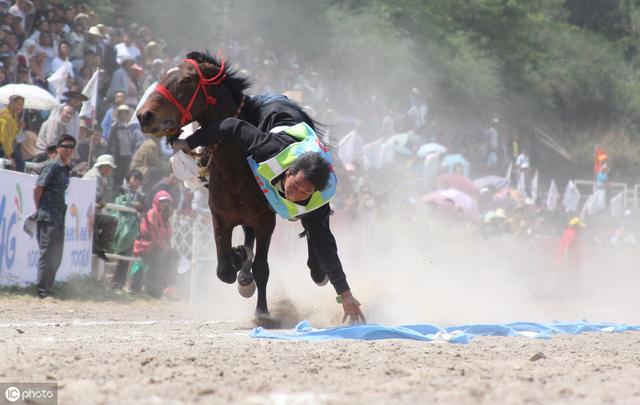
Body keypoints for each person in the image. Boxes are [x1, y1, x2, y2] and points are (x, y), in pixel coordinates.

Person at [172, 106, 365, 323]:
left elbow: (327, 246)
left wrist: (345, 294)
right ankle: (245, 252)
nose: (296, 194)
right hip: (269, 111)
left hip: (303, 140)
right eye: (296, 185)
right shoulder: (268, 150)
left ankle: (309, 246)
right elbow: (230, 126)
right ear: (289, 172)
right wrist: (189, 143)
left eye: (304, 193)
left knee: (319, 269)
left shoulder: (316, 201)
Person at [32, 134, 75, 298]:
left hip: (59, 217)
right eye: (65, 146)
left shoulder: (65, 168)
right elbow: (38, 188)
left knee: (56, 255)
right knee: (46, 253)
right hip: (47, 215)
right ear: (58, 148)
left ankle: (49, 287)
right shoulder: (52, 165)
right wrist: (40, 208)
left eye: (71, 147)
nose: (68, 149)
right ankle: (42, 290)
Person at [132, 190, 178, 297]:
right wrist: (165, 247)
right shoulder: (153, 214)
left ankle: (166, 287)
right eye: (162, 201)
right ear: (157, 201)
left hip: (157, 246)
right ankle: (162, 288)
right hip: (147, 245)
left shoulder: (164, 216)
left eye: (167, 202)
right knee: (166, 257)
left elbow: (169, 234)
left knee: (172, 256)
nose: (165, 204)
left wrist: (166, 219)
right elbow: (154, 235)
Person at [110, 169, 145, 291]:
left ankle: (119, 285)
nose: (136, 182)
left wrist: (133, 205)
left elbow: (142, 206)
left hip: (131, 230)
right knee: (113, 255)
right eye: (134, 179)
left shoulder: (140, 195)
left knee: (126, 258)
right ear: (128, 178)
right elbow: (119, 202)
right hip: (118, 226)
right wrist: (133, 205)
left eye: (139, 180)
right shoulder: (120, 190)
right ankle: (110, 284)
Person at [83, 154, 117, 261]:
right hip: (88, 213)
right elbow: (95, 194)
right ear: (104, 166)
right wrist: (101, 201)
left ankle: (99, 247)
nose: (110, 170)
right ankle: (101, 247)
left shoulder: (99, 177)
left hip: (91, 212)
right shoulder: (94, 176)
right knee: (111, 221)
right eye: (109, 167)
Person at [0, 94, 25, 171]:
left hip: (7, 145)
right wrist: (9, 156)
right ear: (11, 103)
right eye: (18, 104)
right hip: (3, 146)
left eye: (22, 105)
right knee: (20, 163)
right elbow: (6, 138)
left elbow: (12, 135)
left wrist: (18, 128)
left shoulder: (13, 116)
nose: (20, 107)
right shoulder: (7, 116)